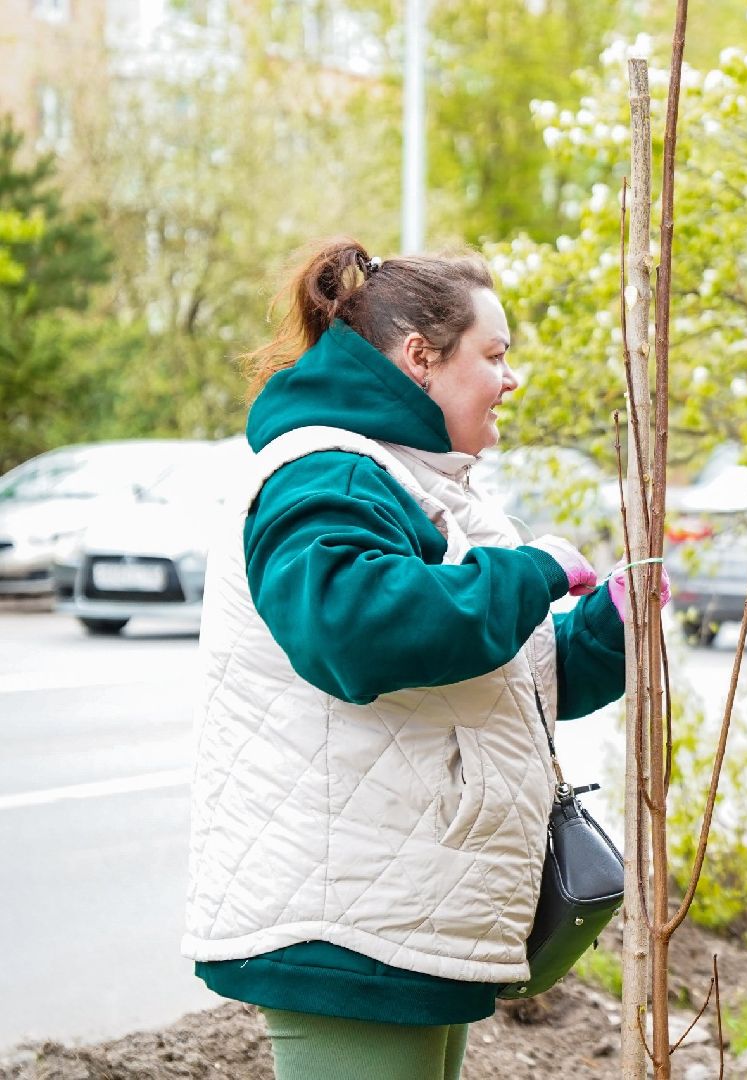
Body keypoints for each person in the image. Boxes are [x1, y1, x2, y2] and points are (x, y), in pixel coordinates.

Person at [182, 239, 666, 1080]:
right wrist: (532, 571)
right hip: (347, 927)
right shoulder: (326, 473)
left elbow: (511, 681)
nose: (509, 378)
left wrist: (610, 626)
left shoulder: (427, 485)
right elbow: (351, 630)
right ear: (420, 357)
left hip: (405, 910)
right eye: (495, 354)